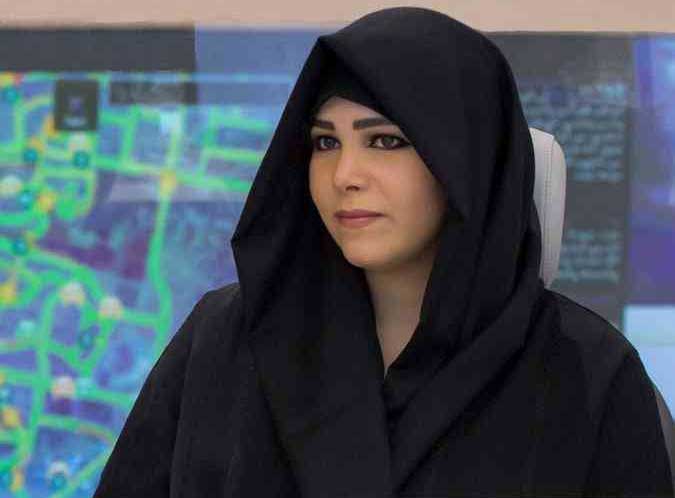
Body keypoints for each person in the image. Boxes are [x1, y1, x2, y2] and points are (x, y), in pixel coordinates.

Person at [93, 6, 674, 497]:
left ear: (465, 162)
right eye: (325, 142)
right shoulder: (220, 339)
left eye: (385, 141)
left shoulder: (589, 374)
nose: (345, 174)